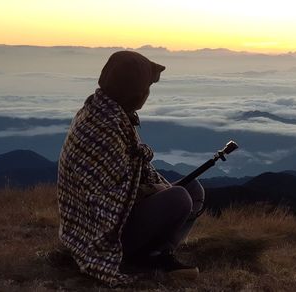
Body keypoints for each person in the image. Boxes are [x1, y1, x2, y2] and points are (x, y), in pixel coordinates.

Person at [57, 51, 204, 286]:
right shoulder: (104, 129)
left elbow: (121, 181)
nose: (148, 93)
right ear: (136, 92)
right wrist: (150, 190)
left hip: (115, 221)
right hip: (102, 234)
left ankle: (157, 253)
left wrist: (151, 189)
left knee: (193, 189)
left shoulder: (108, 112)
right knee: (180, 199)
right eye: (147, 87)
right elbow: (108, 199)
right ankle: (146, 258)